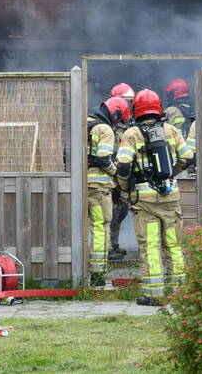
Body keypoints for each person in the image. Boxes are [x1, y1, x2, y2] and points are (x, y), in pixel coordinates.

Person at [116, 89, 195, 306]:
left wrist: (125, 187)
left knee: (150, 245)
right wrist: (172, 174)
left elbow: (123, 164)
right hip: (170, 197)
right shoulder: (171, 130)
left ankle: (154, 295)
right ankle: (180, 293)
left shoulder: (132, 134)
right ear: (159, 108)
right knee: (173, 244)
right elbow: (188, 158)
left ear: (137, 110)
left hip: (145, 200)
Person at [86, 96, 129, 286]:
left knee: (81, 228)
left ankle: (79, 270)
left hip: (79, 187)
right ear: (116, 113)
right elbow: (103, 158)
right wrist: (117, 176)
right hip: (98, 190)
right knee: (100, 227)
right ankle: (97, 273)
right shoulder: (106, 130)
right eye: (119, 120)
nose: (118, 123)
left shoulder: (83, 124)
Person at [108, 82, 136, 259]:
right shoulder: (107, 126)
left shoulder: (129, 125)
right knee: (110, 214)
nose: (129, 106)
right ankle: (109, 247)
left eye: (130, 102)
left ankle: (115, 244)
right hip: (110, 177)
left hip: (125, 177)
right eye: (126, 101)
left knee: (122, 212)